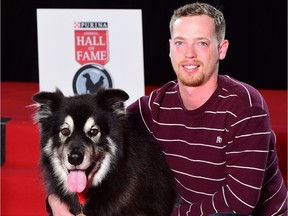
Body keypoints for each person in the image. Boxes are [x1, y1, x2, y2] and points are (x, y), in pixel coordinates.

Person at [47, 2, 288, 215]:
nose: (190, 54)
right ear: (171, 48)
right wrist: (55, 201)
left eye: (202, 43)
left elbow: (239, 203)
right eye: (181, 42)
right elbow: (100, 125)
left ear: (221, 49)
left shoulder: (245, 105)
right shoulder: (156, 105)